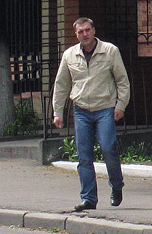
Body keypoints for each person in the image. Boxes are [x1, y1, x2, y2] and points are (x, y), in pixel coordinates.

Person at [52, 17, 130, 212]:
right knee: (84, 156)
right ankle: (88, 198)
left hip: (105, 108)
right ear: (76, 34)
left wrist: (120, 105)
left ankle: (117, 185)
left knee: (108, 148)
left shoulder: (110, 51)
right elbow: (61, 84)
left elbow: (122, 81)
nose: (84, 35)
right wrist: (57, 112)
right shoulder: (70, 55)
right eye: (80, 32)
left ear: (94, 30)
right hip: (81, 111)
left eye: (87, 30)